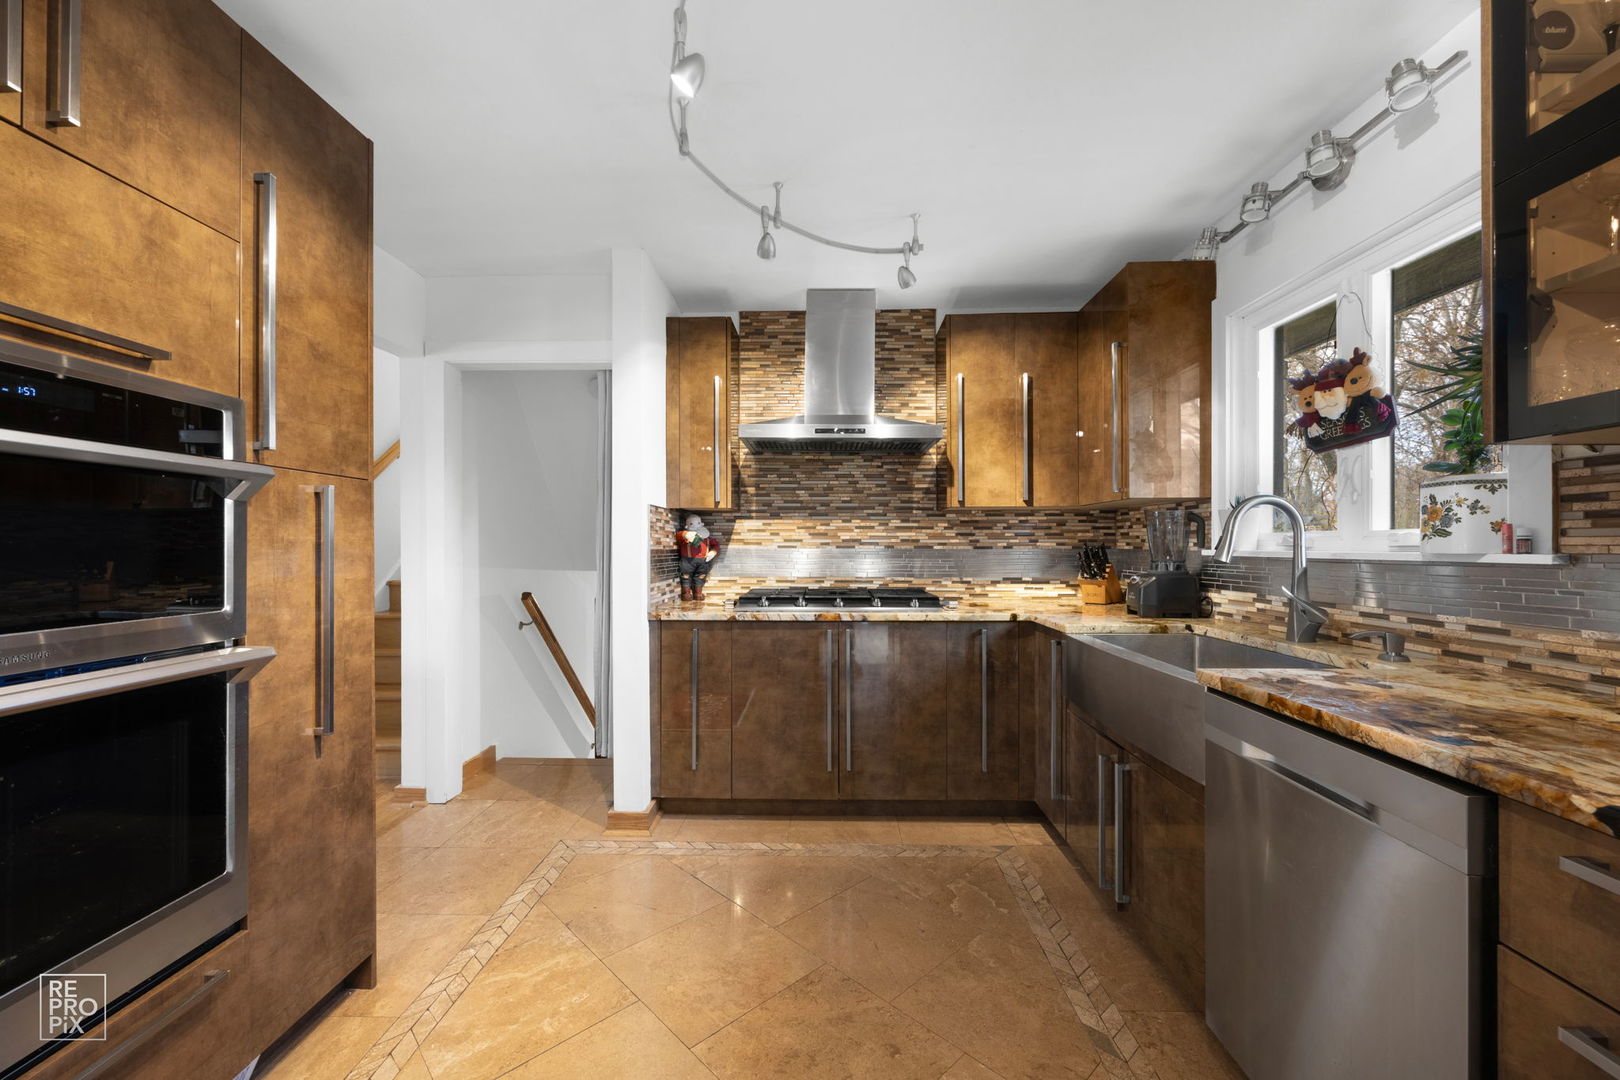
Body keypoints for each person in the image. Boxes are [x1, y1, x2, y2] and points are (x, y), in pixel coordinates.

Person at [676, 514, 720, 601]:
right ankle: (686, 593)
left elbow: (716, 545)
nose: (695, 526)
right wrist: (685, 534)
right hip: (687, 561)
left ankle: (698, 593)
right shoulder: (685, 536)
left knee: (700, 577)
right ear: (687, 525)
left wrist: (713, 552)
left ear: (701, 524)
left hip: (703, 561)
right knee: (686, 576)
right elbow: (678, 535)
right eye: (691, 524)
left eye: (698, 523)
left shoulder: (707, 538)